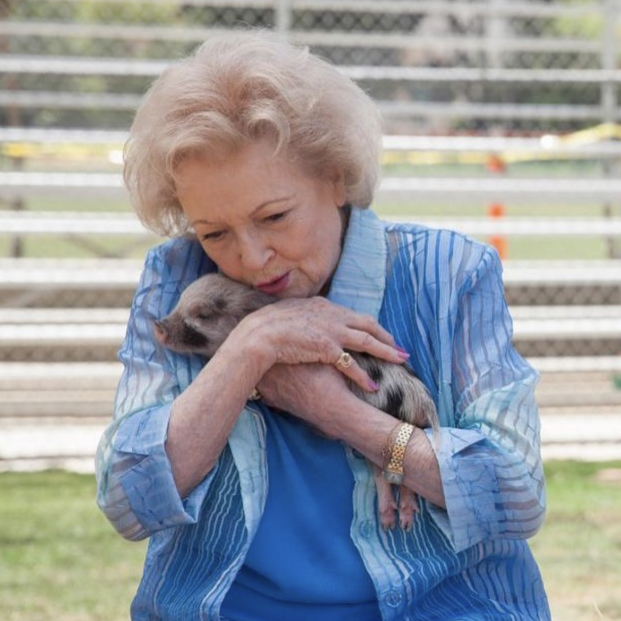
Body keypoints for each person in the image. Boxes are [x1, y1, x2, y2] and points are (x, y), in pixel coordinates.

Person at [95, 29, 551, 621]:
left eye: (275, 216)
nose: (251, 258)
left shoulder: (449, 273)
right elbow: (128, 502)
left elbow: (516, 493)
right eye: (215, 232)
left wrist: (335, 411)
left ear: (336, 176)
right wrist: (249, 352)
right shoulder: (177, 281)